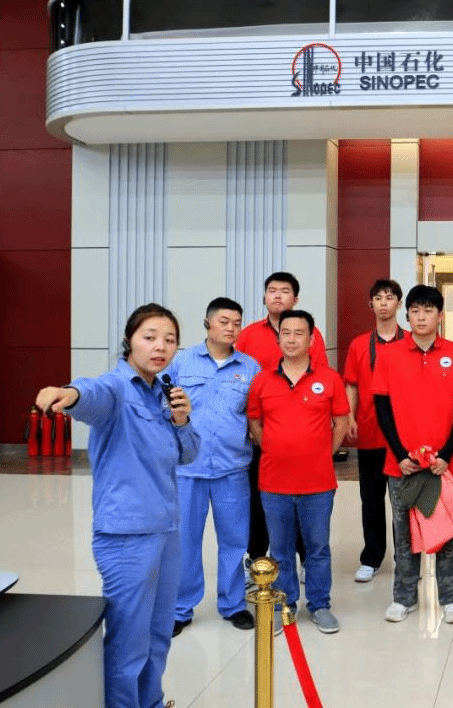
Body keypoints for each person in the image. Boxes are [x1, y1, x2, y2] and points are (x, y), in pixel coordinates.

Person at [35, 303, 199, 708]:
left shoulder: (163, 394)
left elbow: (189, 454)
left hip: (167, 529)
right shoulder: (117, 388)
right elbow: (91, 394)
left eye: (170, 340)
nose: (160, 347)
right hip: (126, 537)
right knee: (129, 643)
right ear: (129, 341)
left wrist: (182, 421)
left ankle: (151, 701)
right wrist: (68, 394)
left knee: (158, 635)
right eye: (150, 337)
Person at [372, 284, 453, 624]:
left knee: (448, 533)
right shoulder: (389, 355)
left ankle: (451, 598)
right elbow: (382, 407)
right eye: (415, 311)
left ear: (440, 315)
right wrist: (399, 453)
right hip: (402, 463)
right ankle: (403, 597)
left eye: (428, 310)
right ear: (407, 315)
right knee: (403, 533)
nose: (421, 316)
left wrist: (446, 453)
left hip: (446, 464)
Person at [246, 310, 350, 635]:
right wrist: (275, 448)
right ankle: (284, 605)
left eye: (298, 333)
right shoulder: (262, 380)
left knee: (317, 548)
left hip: (318, 482)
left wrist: (322, 454)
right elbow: (255, 423)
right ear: (279, 339)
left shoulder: (329, 379)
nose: (291, 339)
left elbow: (341, 423)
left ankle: (319, 605)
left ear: (312, 339)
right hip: (274, 482)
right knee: (279, 550)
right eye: (285, 333)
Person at [168, 297, 261, 637]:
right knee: (185, 541)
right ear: (208, 323)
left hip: (232, 469)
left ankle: (233, 604)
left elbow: (255, 415)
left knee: (235, 541)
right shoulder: (181, 362)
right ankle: (181, 608)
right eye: (224, 321)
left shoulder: (249, 368)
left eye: (236, 323)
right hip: (187, 469)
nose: (231, 328)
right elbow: (160, 404)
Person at [236, 272, 327, 577]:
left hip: (301, 436)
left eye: (284, 290)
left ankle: (304, 558)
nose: (277, 295)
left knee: (302, 501)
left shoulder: (311, 334)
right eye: (271, 290)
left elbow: (321, 382)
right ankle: (257, 559)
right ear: (264, 297)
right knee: (260, 501)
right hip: (259, 433)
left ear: (295, 299)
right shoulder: (248, 335)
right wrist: (256, 433)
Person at [342, 279, 406, 583]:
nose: (383, 303)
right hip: (369, 432)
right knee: (371, 499)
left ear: (399, 304)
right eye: (378, 298)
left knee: (403, 502)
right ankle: (372, 557)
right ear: (371, 305)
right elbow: (351, 384)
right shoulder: (359, 345)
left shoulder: (410, 341)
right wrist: (349, 417)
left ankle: (406, 559)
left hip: (404, 437)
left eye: (389, 297)